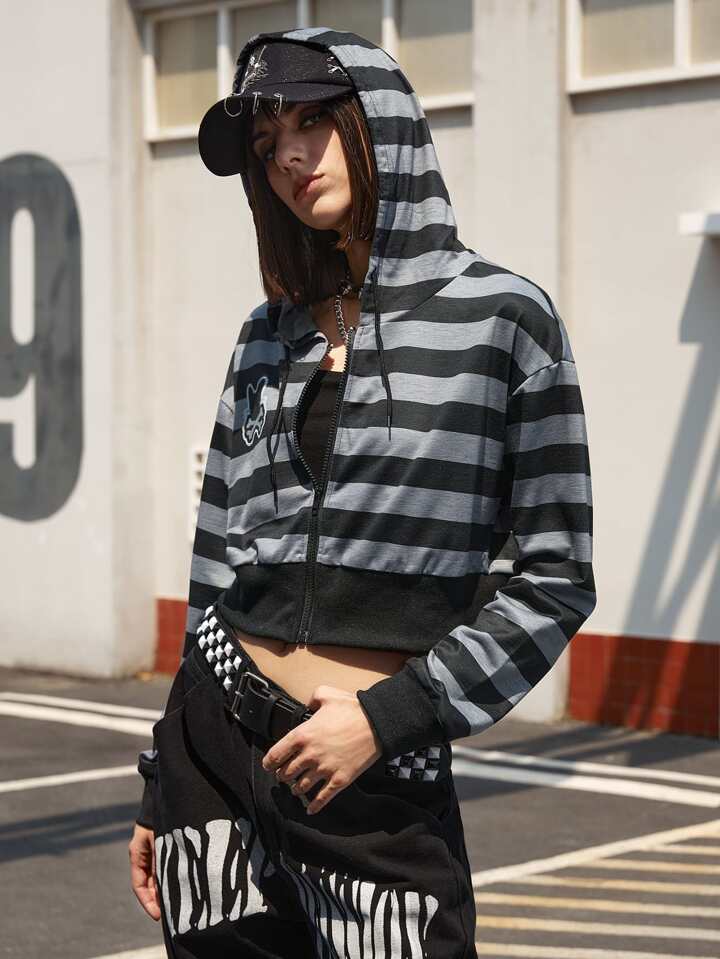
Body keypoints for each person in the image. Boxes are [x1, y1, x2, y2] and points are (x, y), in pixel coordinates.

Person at [128, 28, 597, 959]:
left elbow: (555, 577)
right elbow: (217, 558)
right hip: (210, 756)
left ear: (379, 123)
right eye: (268, 144)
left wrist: (390, 718)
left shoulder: (505, 319)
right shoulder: (268, 334)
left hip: (369, 769)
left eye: (311, 123)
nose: (289, 158)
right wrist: (158, 774)